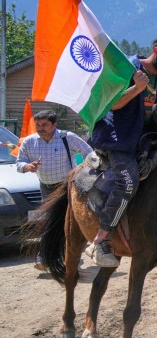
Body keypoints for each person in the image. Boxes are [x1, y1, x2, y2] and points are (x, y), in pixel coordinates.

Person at [86, 35, 157, 267]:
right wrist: (137, 88)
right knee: (128, 181)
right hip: (117, 138)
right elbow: (112, 103)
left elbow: (153, 107)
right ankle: (101, 239)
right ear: (156, 50)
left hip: (145, 137)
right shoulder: (127, 67)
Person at [18, 109, 93, 270]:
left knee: (67, 222)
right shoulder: (30, 141)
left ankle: (67, 255)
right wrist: (27, 166)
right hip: (45, 188)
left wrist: (82, 171)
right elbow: (19, 162)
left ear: (54, 124)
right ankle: (46, 257)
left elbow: (89, 153)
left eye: (45, 124)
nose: (40, 128)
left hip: (67, 187)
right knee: (49, 221)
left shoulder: (67, 138)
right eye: (38, 124)